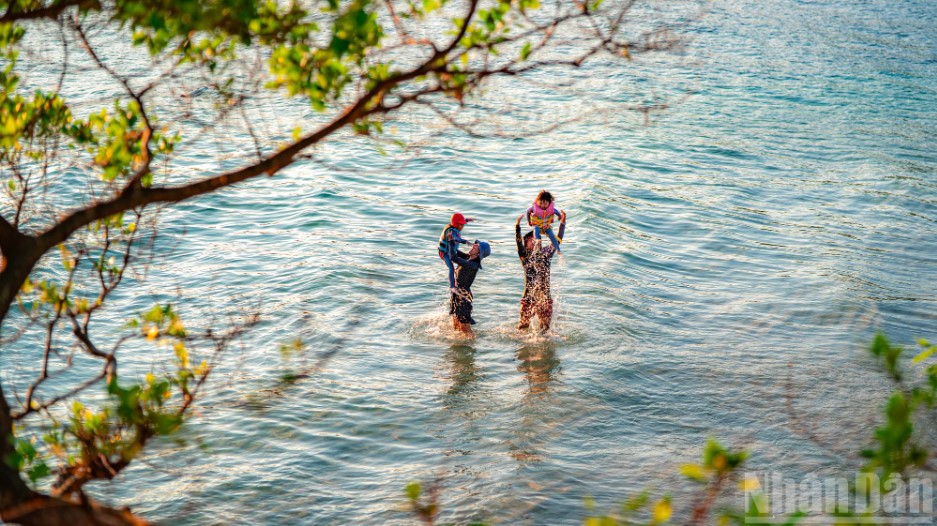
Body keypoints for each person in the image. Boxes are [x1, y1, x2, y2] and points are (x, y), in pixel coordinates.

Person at [515, 211, 566, 332]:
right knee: (523, 326)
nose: (536, 241)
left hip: (545, 297)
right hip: (528, 297)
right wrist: (517, 225)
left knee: (545, 329)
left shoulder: (546, 254)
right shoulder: (524, 256)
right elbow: (518, 242)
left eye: (536, 239)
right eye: (531, 240)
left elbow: (558, 239)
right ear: (526, 243)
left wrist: (563, 222)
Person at [449, 240, 491, 335]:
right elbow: (455, 251)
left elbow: (453, 257)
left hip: (463, 296)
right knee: (456, 325)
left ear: (479, 253)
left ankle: (472, 345)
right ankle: (460, 347)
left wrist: (450, 241)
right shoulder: (468, 258)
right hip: (456, 293)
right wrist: (451, 240)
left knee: (465, 329)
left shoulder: (473, 265)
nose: (474, 245)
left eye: (477, 246)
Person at [437, 213, 476, 292]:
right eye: (461, 225)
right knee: (451, 268)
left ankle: (459, 273)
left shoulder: (454, 225)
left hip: (451, 249)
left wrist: (468, 219)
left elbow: (462, 220)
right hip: (444, 252)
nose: (463, 226)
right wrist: (466, 242)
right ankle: (452, 287)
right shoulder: (452, 232)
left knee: (465, 257)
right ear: (456, 224)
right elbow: (456, 239)